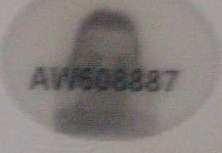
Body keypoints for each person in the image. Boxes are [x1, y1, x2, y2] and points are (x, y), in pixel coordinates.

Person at [53, 9, 158, 138]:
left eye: (121, 63)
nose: (106, 74)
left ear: (137, 71)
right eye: (93, 61)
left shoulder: (147, 129)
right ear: (73, 67)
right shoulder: (55, 125)